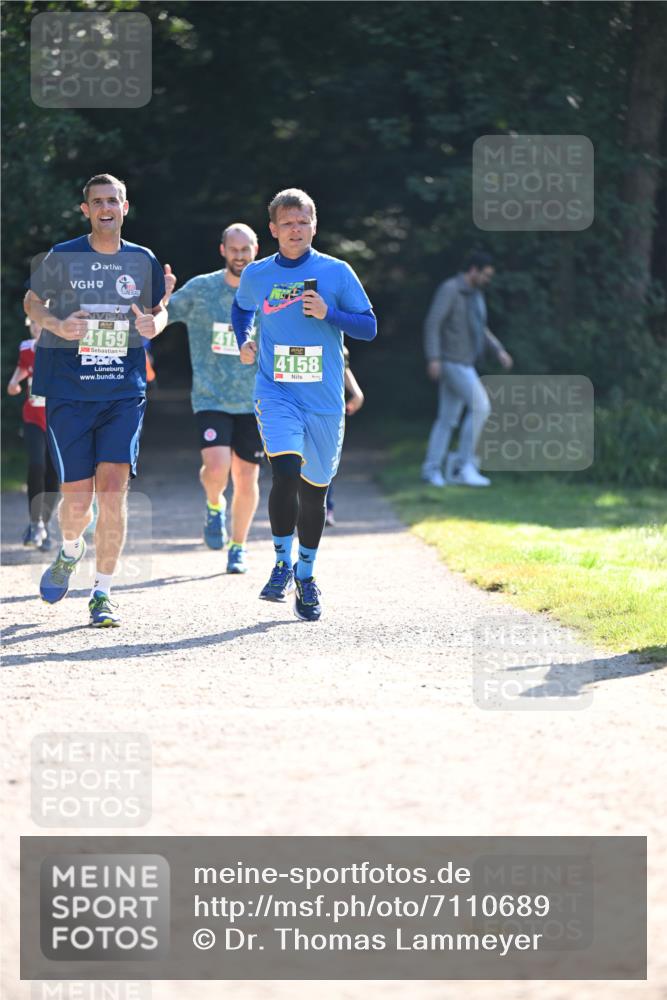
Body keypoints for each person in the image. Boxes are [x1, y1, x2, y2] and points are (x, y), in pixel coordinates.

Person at [24, 172, 168, 627]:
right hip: (69, 393)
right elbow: (32, 302)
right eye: (98, 201)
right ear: (86, 210)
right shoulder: (63, 256)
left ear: (125, 207)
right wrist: (58, 325)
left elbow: (157, 312)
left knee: (112, 490)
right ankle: (70, 550)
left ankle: (102, 593)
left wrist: (156, 324)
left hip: (122, 391)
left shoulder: (142, 259)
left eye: (113, 200)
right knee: (77, 504)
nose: (106, 208)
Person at [232, 188, 376, 621]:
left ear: (314, 226)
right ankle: (281, 563)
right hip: (276, 391)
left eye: (303, 222)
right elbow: (241, 309)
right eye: (287, 223)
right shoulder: (257, 274)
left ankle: (306, 575)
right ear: (273, 229)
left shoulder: (337, 272)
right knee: (285, 472)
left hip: (324, 401)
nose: (295, 230)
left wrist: (330, 313)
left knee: (315, 493)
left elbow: (368, 327)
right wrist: (244, 340)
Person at [161, 224, 263, 573]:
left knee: (247, 477)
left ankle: (238, 547)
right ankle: (214, 503)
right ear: (223, 250)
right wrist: (161, 299)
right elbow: (162, 317)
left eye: (245, 249)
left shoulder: (268, 291)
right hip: (211, 397)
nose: (240, 255)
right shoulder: (201, 289)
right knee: (217, 467)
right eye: (233, 249)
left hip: (255, 400)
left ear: (256, 250)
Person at [421, 251, 513, 488]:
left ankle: (432, 470)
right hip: (452, 361)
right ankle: (464, 466)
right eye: (485, 275)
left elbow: (481, 329)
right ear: (473, 270)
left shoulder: (476, 295)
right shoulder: (450, 289)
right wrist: (433, 358)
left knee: (447, 419)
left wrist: (499, 350)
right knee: (481, 406)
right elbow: (433, 323)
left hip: (466, 362)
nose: (487, 280)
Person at [6, 318, 60, 550]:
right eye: (33, 324)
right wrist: (14, 382)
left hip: (57, 421)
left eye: (41, 323)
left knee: (53, 473)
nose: (37, 327)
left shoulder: (62, 349)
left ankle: (44, 525)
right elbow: (23, 368)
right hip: (33, 418)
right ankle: (34, 522)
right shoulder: (26, 348)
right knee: (37, 465)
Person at [324, 345, 365, 528]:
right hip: (295, 407)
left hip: (327, 409)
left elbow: (343, 365)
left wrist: (357, 393)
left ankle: (325, 507)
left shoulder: (335, 339)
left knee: (325, 461)